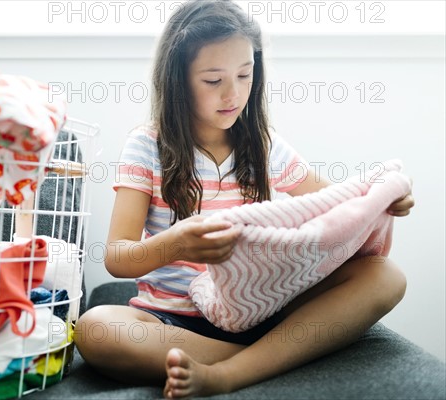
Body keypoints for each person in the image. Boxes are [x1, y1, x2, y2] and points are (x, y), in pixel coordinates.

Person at [74, 1, 415, 398]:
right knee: (97, 328)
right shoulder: (147, 146)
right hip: (173, 320)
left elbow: (338, 204)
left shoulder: (264, 145)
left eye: (244, 74)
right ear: (177, 81)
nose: (232, 94)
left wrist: (382, 198)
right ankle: (269, 358)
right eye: (213, 80)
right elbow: (118, 256)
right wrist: (179, 242)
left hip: (259, 308)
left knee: (385, 275)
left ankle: (231, 372)